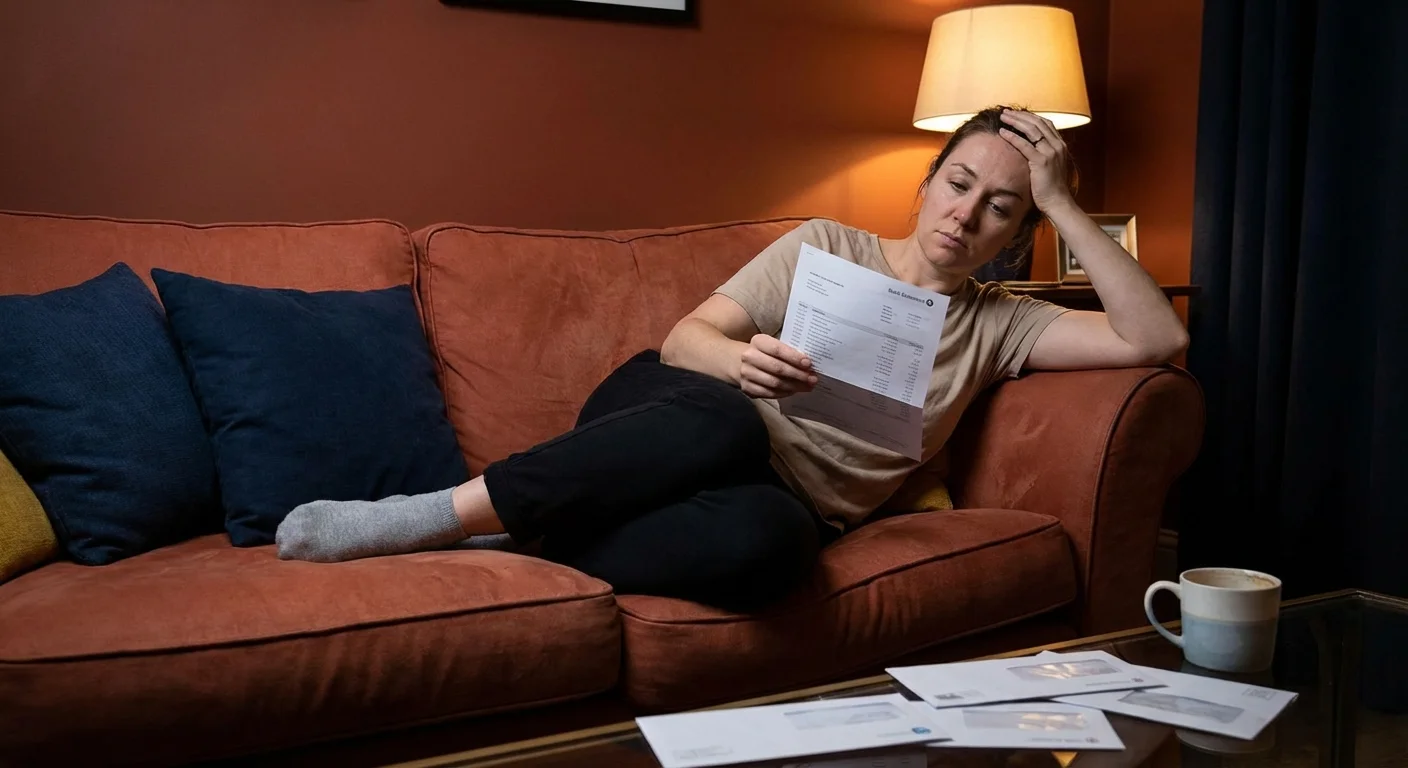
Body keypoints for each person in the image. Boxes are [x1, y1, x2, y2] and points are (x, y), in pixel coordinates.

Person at [275, 107, 1188, 611]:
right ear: (925, 181)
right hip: (671, 417)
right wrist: (743, 366)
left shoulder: (1002, 323)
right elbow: (684, 342)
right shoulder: (826, 243)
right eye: (959, 183)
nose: (966, 214)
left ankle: (547, 538)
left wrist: (1062, 201)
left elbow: (1157, 340)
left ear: (1014, 232)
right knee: (720, 415)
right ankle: (433, 516)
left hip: (765, 500)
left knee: (777, 549)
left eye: (1000, 207)